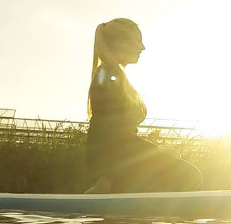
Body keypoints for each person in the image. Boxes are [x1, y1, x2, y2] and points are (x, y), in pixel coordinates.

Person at [86, 18, 202, 193]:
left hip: (120, 159)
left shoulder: (115, 75)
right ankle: (110, 188)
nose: (143, 47)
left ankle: (115, 189)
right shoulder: (107, 75)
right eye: (137, 40)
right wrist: (158, 152)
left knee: (188, 176)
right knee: (190, 176)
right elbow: (108, 132)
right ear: (121, 42)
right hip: (115, 160)